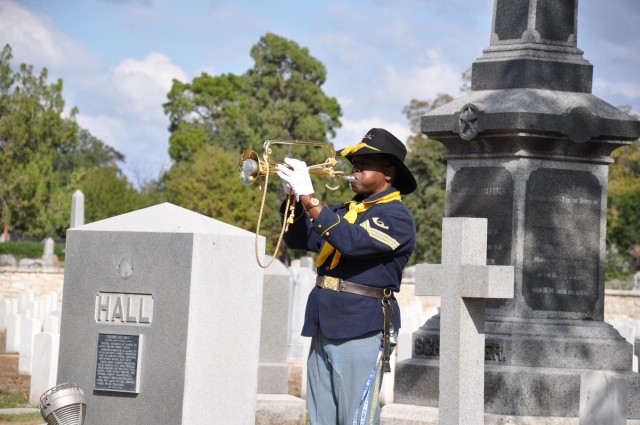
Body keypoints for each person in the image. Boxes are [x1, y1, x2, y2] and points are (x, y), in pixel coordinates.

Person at [278, 128, 417, 425]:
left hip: (362, 326)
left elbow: (351, 242)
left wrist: (311, 199)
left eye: (365, 162)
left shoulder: (397, 217)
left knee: (357, 419)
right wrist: (293, 200)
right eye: (354, 162)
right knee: (320, 419)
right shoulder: (346, 210)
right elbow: (299, 240)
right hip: (323, 322)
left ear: (389, 173)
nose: (356, 168)